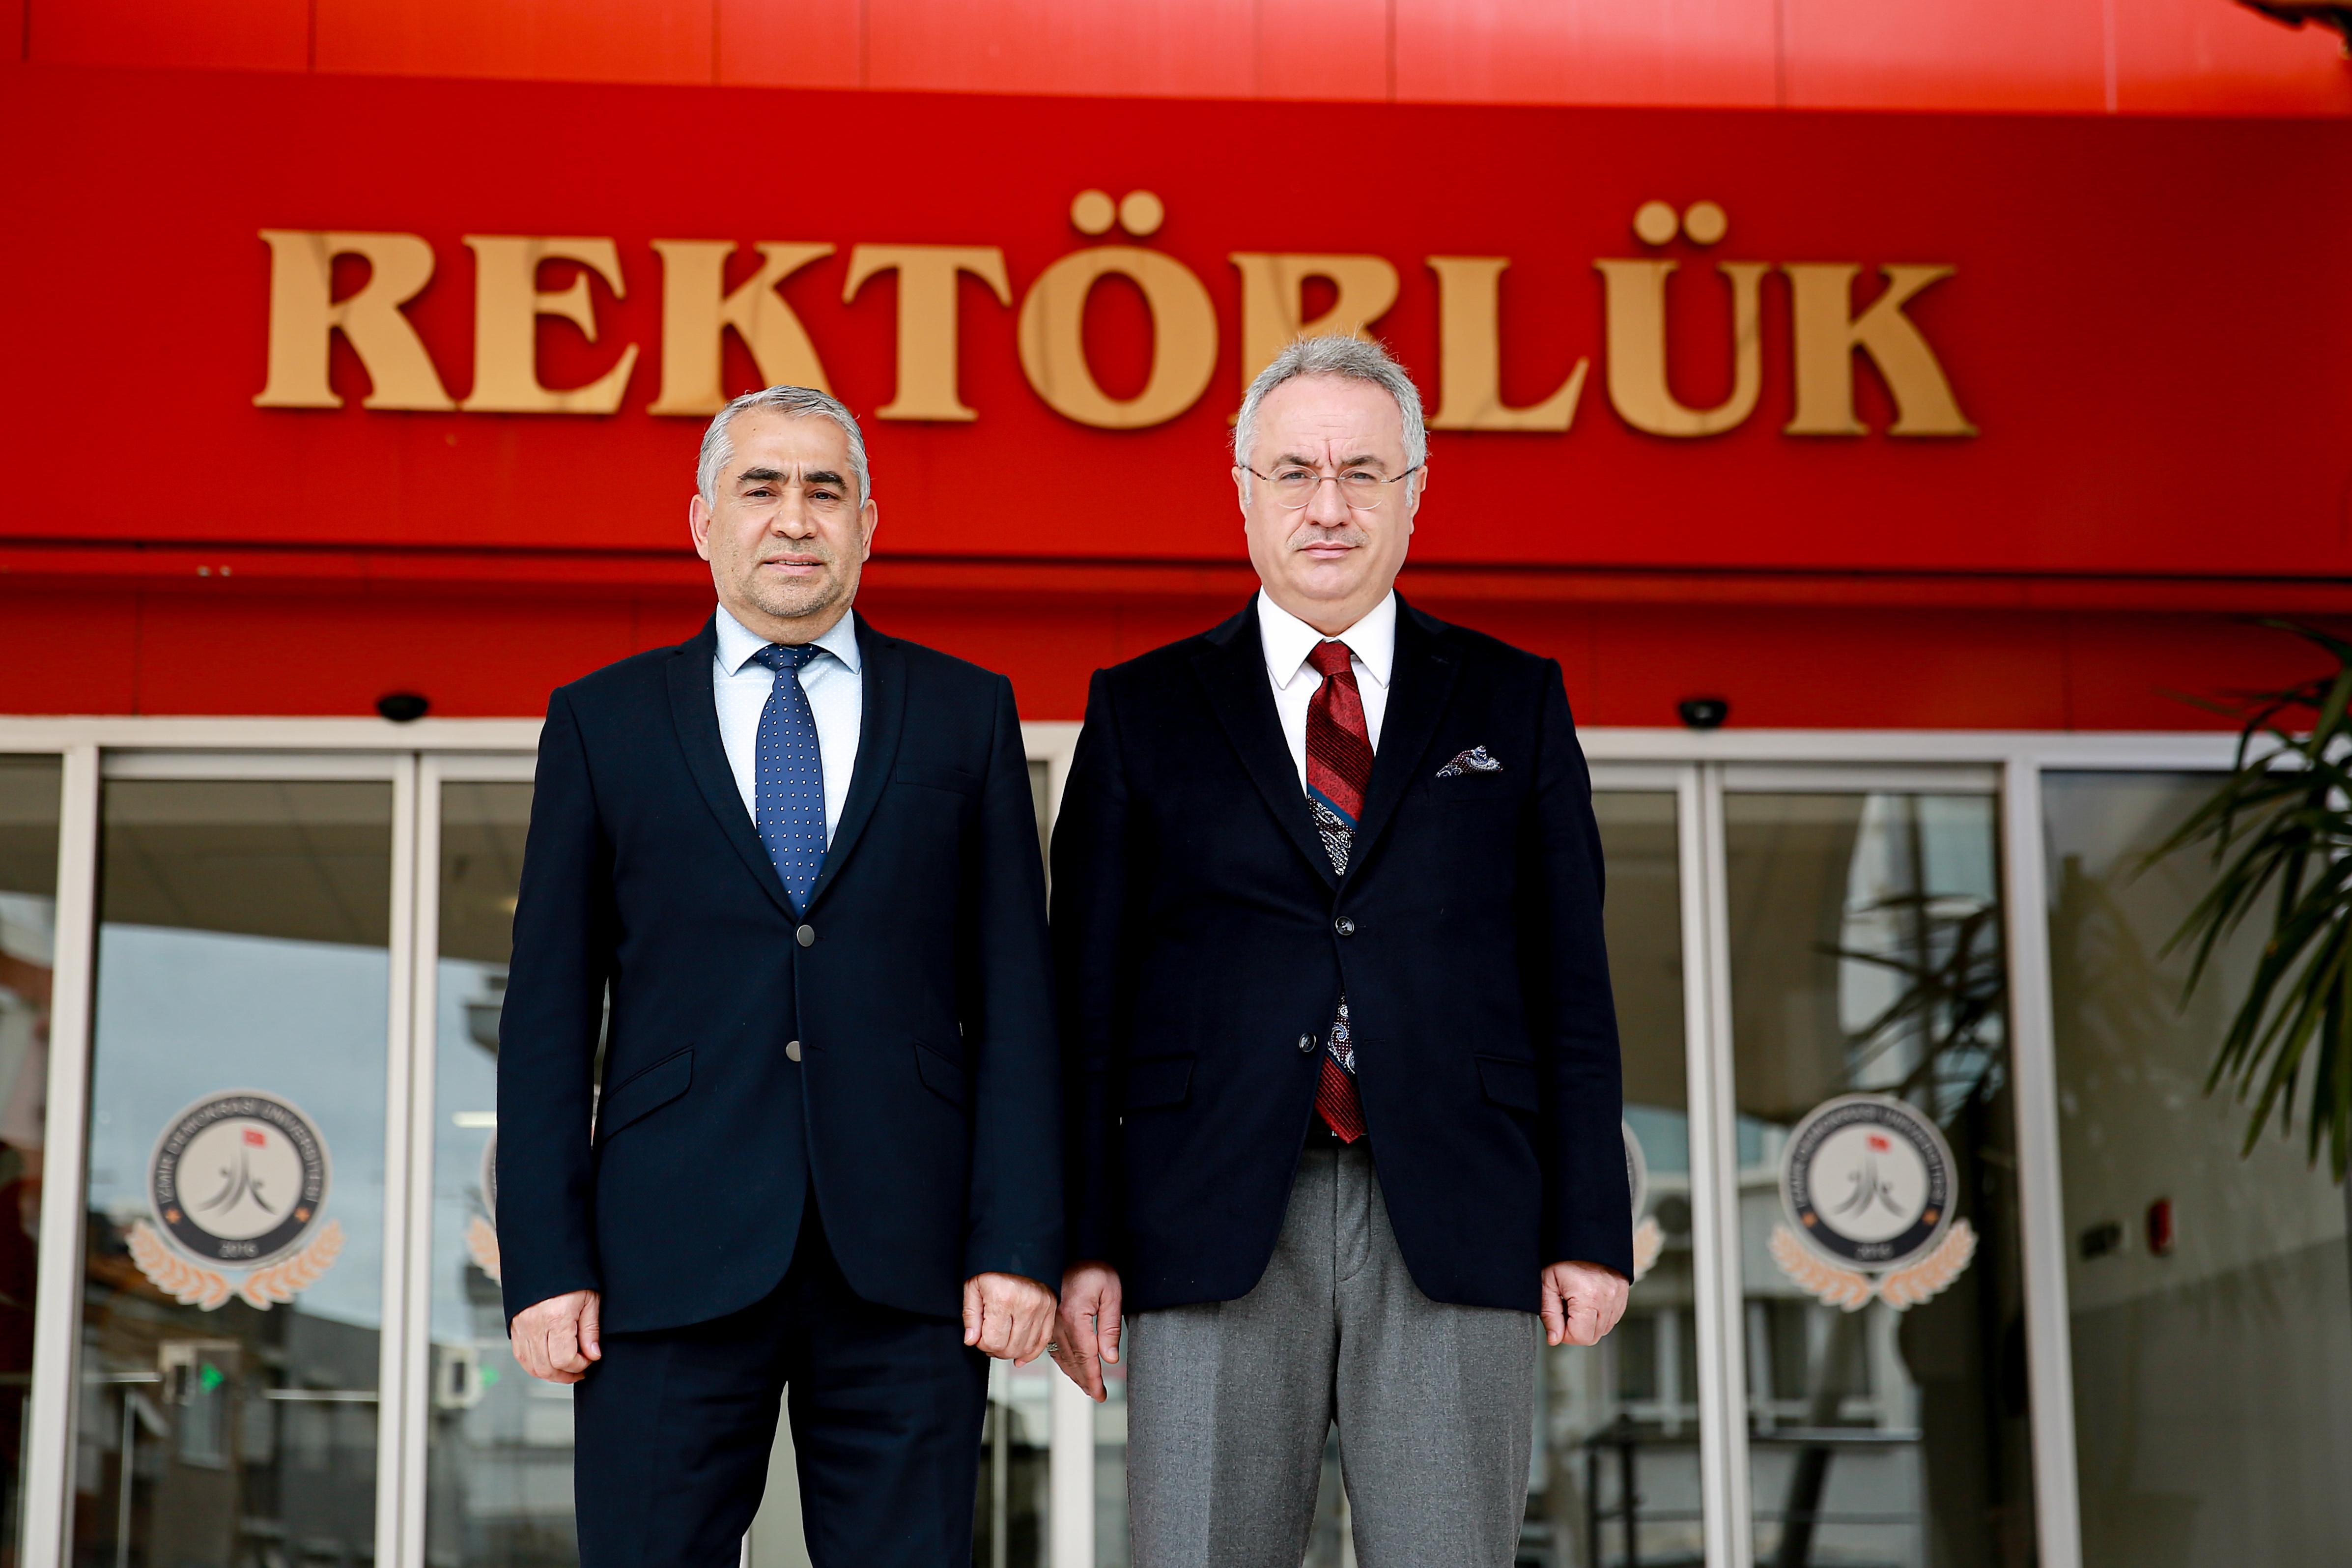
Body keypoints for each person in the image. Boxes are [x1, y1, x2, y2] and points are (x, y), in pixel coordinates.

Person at [1049, 336, 1632, 1568]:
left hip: (1456, 1208)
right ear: (1243, 490)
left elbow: (1569, 984)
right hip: (1203, 1215)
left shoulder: (1513, 700)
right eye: (1296, 471)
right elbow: (1082, 1003)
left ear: (1416, 492)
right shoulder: (1139, 708)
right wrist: (1082, 1238)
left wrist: (1588, 1223)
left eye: (1364, 471)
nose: (1329, 504)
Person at [496, 385, 1061, 1568]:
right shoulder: (603, 722)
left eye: (825, 489)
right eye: (761, 487)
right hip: (664, 1265)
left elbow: (1016, 1005)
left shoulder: (966, 715)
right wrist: (546, 1266)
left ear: (868, 524)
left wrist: (1016, 1240)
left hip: (909, 1265)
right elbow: (550, 1013)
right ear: (703, 521)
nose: (794, 517)